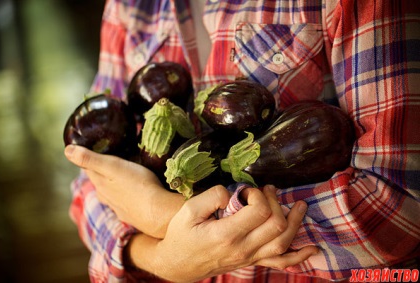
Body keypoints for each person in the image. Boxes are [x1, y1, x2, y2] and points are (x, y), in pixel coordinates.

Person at [64, 0, 420, 282]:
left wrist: (166, 217)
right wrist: (159, 258)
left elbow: (403, 202)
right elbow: (87, 180)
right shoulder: (128, 6)